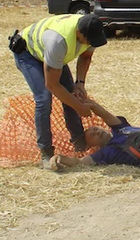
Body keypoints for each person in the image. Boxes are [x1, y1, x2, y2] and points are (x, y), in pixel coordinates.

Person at [12, 13, 107, 169]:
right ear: (79, 33)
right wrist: (79, 107)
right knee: (43, 99)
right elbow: (52, 85)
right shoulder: (58, 41)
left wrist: (80, 83)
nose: (91, 44)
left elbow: (86, 57)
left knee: (72, 94)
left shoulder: (92, 32)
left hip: (52, 54)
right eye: (88, 41)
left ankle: (79, 142)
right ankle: (46, 152)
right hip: (27, 52)